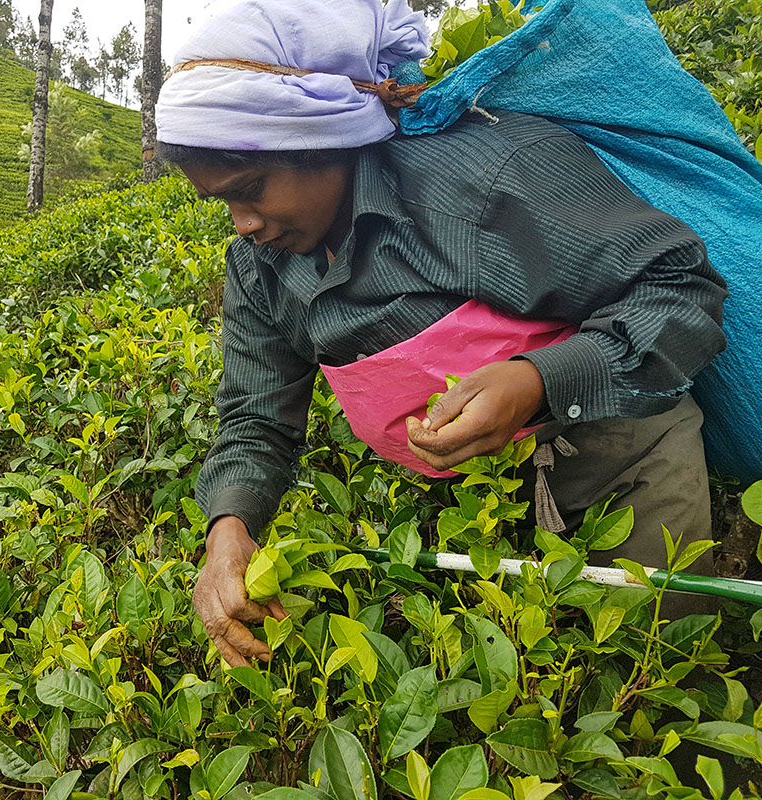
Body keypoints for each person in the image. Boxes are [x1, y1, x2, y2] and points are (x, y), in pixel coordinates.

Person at [155, 0, 728, 667]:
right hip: (468, 513)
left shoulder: (482, 179)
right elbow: (256, 416)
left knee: (649, 679)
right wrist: (229, 528)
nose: (242, 222)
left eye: (251, 188)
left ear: (317, 137)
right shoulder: (260, 268)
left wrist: (535, 380)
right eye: (220, 201)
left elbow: (679, 285)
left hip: (623, 470)